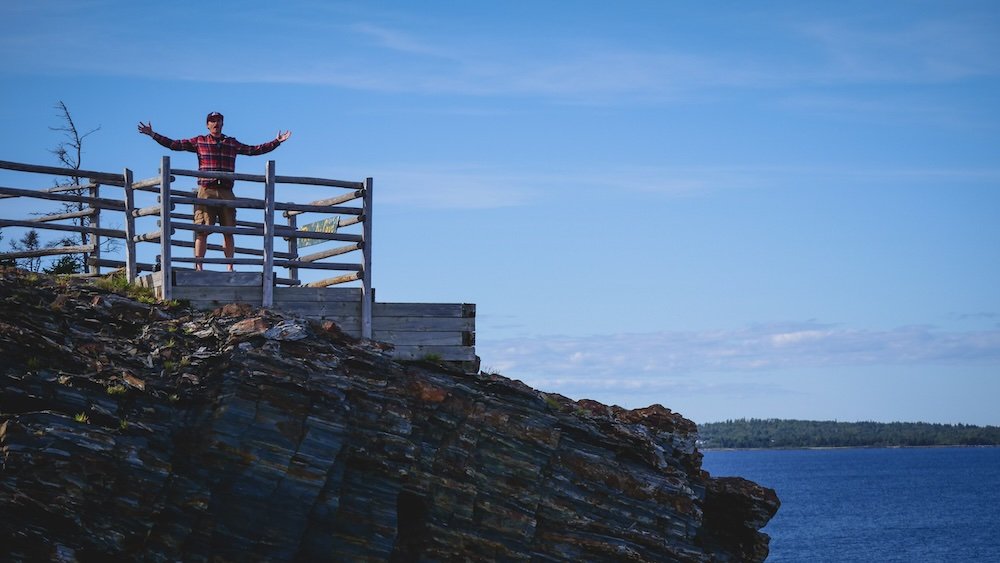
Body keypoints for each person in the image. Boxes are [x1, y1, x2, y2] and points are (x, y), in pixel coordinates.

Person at [137, 112, 291, 271]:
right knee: (202, 229)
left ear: (223, 124)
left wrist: (276, 142)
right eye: (212, 121)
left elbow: (253, 150)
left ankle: (230, 267)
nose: (215, 124)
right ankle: (199, 267)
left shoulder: (231, 142)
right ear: (207, 125)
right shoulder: (200, 141)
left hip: (226, 190)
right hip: (206, 189)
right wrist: (153, 134)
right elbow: (175, 144)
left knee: (229, 231)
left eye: (218, 121)